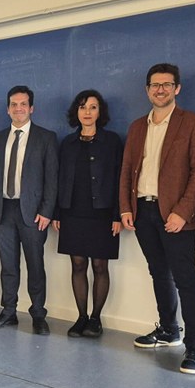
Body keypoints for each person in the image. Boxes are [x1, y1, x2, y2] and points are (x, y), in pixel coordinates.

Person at [119, 63, 195, 374]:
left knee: (186, 279)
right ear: (147, 90)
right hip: (143, 211)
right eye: (155, 85)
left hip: (175, 215)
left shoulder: (192, 123)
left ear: (177, 88)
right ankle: (169, 330)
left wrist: (182, 212)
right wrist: (125, 207)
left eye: (166, 84)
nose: (160, 90)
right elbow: (126, 169)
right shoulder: (137, 127)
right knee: (159, 273)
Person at [0, 85, 58, 335]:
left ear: (31, 108)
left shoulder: (46, 138)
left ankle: (38, 314)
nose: (18, 108)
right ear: (8, 109)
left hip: (33, 213)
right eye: (14, 104)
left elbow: (52, 179)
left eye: (23, 104)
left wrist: (47, 211)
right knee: (8, 267)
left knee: (35, 265)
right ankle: (9, 312)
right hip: (3, 211)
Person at [53, 89, 123, 338]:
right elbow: (60, 179)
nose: (87, 112)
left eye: (93, 107)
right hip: (73, 212)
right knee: (78, 264)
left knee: (100, 265)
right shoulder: (68, 143)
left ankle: (96, 319)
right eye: (83, 107)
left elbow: (120, 178)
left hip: (103, 213)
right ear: (76, 111)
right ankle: (81, 317)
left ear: (100, 112)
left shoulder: (112, 141)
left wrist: (118, 214)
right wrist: (57, 213)